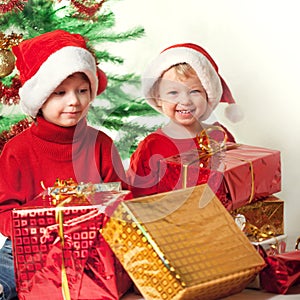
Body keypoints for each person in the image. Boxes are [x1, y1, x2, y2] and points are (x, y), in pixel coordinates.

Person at [0, 30, 130, 300]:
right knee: (8, 281)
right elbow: (4, 211)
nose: (74, 101)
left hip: (91, 245)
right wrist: (37, 230)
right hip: (30, 245)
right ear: (40, 99)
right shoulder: (17, 151)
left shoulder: (100, 144)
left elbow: (121, 201)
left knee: (114, 279)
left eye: (82, 91)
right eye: (60, 92)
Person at [127, 43, 243, 198]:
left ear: (208, 95)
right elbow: (139, 201)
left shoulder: (219, 135)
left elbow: (236, 184)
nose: (185, 101)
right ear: (158, 99)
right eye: (173, 92)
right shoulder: (151, 147)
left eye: (194, 91)